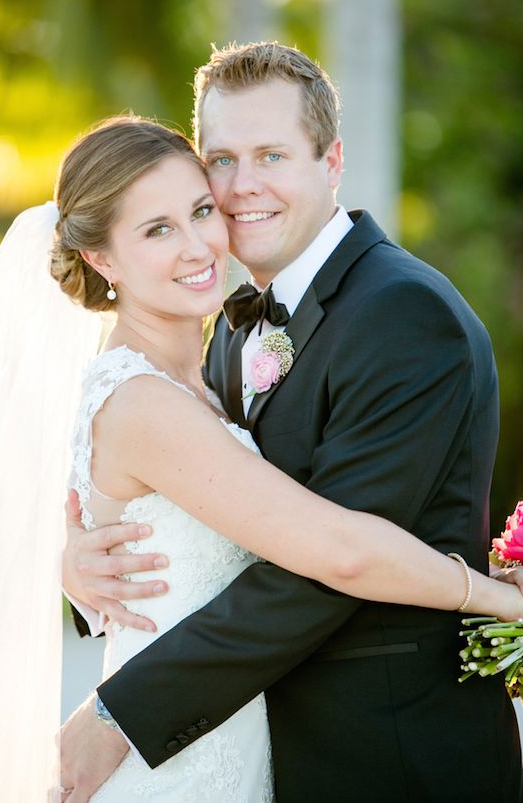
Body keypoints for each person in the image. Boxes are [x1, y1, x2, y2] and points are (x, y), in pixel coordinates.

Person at [59, 44, 522, 803]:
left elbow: (328, 565)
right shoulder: (231, 325)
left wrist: (122, 712)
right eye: (222, 160)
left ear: (332, 160)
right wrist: (78, 561)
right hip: (268, 747)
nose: (242, 188)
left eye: (271, 154)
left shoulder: (405, 315)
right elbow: (198, 503)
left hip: (392, 753)